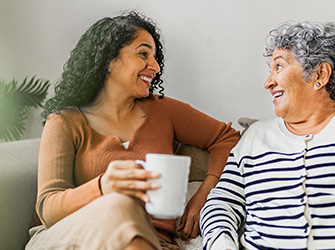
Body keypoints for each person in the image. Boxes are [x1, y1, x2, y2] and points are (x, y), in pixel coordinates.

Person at [25, 11, 240, 250]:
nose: (156, 67)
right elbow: (48, 208)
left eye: (156, 57)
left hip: (152, 242)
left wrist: (204, 195)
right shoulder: (65, 121)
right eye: (143, 53)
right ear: (109, 60)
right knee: (121, 205)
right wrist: (104, 186)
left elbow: (227, 138)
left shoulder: (163, 111)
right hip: (81, 236)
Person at [200, 21, 335, 250]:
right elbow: (221, 204)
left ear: (320, 74)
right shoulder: (254, 138)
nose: (268, 82)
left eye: (279, 67)